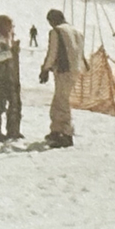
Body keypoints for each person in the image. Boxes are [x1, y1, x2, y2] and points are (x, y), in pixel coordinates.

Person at [39, 9, 85, 148]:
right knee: (58, 100)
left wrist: (45, 68)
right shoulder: (76, 31)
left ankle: (66, 134)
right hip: (75, 69)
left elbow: (52, 51)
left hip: (64, 70)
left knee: (62, 101)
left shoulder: (57, 31)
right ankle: (56, 129)